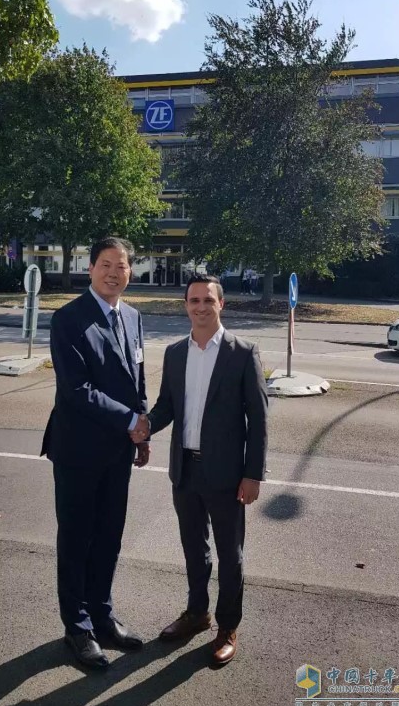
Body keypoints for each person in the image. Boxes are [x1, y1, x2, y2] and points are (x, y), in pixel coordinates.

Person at [131, 274, 268, 666]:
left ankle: (227, 626)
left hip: (227, 475)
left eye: (208, 300)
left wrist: (253, 473)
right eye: (193, 300)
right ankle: (196, 614)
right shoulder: (175, 352)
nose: (201, 307)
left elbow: (258, 420)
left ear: (221, 304)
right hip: (185, 472)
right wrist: (145, 426)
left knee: (230, 554)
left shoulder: (243, 352)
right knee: (194, 550)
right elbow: (166, 407)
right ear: (185, 305)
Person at [41, 236, 149, 670]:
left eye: (121, 266)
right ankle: (78, 628)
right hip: (77, 451)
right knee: (76, 539)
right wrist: (130, 422)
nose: (113, 273)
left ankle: (102, 615)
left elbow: (136, 380)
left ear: (129, 271)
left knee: (109, 536)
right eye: (105, 264)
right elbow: (77, 390)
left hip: (117, 452)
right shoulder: (68, 319)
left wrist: (140, 433)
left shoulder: (134, 317)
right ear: (90, 269)